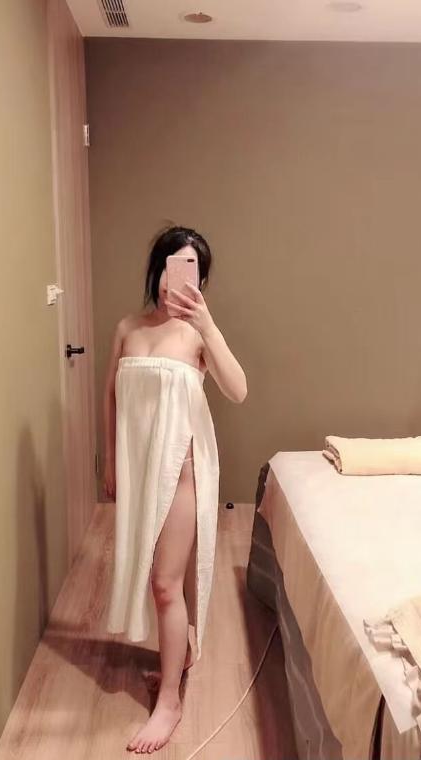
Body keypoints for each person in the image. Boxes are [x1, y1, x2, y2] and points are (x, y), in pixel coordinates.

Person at [102, 225, 247, 754]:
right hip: (140, 473)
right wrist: (110, 464)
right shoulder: (128, 329)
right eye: (171, 266)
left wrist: (207, 325)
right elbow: (111, 398)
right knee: (162, 581)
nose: (177, 279)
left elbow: (238, 390)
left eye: (190, 269)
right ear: (158, 270)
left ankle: (170, 701)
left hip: (183, 473)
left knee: (165, 584)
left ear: (199, 280)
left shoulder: (196, 335)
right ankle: (177, 657)